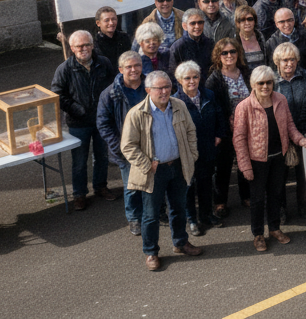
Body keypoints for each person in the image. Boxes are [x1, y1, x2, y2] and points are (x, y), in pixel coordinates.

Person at [120, 71, 203, 271]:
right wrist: (147, 164)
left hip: (177, 165)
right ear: (148, 90)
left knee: (179, 208)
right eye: (159, 88)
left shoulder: (179, 106)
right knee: (150, 215)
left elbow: (191, 131)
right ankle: (151, 252)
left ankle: (180, 243)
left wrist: (191, 155)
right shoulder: (137, 113)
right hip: (153, 172)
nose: (165, 91)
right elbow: (128, 146)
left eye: (167, 87)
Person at [233, 64, 306, 252]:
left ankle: (274, 228)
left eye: (268, 82)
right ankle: (258, 234)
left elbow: (290, 125)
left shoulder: (280, 99)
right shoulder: (244, 107)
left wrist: (299, 139)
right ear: (253, 84)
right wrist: (245, 166)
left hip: (278, 158)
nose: (265, 86)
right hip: (256, 162)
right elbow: (239, 138)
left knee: (276, 194)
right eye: (261, 83)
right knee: (258, 199)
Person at [52, 30, 119, 210]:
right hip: (78, 123)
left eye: (87, 44)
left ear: (92, 45)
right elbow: (57, 94)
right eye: (79, 46)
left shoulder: (103, 63)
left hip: (102, 121)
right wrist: (77, 109)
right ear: (72, 48)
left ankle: (100, 187)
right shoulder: (64, 69)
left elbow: (114, 86)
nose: (84, 48)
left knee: (102, 157)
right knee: (80, 161)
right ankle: (79, 194)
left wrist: (108, 109)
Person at [98, 51, 148, 234]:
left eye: (137, 65)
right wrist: (119, 146)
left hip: (150, 145)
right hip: (126, 150)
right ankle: (134, 218)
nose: (134, 70)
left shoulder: (150, 85)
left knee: (152, 183)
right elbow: (103, 124)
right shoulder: (110, 93)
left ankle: (152, 213)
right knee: (132, 186)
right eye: (129, 67)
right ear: (120, 69)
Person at [173, 61, 225, 238]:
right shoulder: (175, 102)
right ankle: (192, 219)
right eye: (187, 78)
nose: (192, 81)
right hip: (187, 152)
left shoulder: (208, 94)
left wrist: (219, 134)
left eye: (195, 77)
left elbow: (219, 115)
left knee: (205, 184)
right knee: (188, 186)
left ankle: (206, 215)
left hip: (208, 147)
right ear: (180, 80)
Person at [206, 39, 251, 217]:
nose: (229, 55)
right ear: (218, 56)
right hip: (225, 129)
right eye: (224, 53)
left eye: (232, 51)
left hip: (247, 127)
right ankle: (220, 202)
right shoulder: (214, 79)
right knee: (223, 167)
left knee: (245, 162)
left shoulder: (246, 73)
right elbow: (213, 107)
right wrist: (226, 122)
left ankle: (246, 196)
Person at [272, 43, 306, 220]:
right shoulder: (272, 80)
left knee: (303, 176)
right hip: (280, 134)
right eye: (284, 60)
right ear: (277, 62)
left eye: (292, 59)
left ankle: (304, 207)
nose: (289, 63)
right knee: (280, 176)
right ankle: (281, 209)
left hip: (303, 131)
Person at [170, 9, 215, 76]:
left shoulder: (211, 44)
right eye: (193, 23)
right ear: (185, 26)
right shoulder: (177, 47)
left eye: (200, 22)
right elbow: (173, 74)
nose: (197, 26)